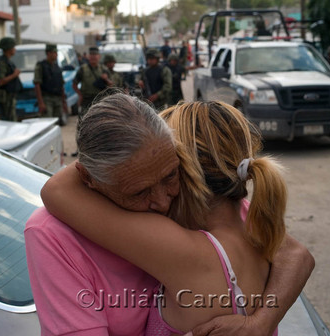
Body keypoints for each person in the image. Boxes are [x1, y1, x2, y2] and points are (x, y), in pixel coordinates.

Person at [26, 93, 314, 335]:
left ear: (190, 172)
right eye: (140, 192)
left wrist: (260, 323)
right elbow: (298, 255)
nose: (162, 203)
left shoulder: (190, 252)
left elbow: (57, 189)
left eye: (170, 177)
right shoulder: (247, 222)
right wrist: (262, 321)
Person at [71, 46, 111, 156]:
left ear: (99, 56)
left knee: (101, 124)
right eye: (91, 55)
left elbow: (112, 85)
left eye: (95, 55)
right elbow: (74, 84)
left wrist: (105, 79)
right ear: (88, 56)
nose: (93, 57)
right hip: (86, 100)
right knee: (82, 125)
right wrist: (80, 95)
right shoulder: (83, 69)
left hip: (100, 101)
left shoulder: (104, 69)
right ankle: (80, 150)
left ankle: (100, 149)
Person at [34, 44, 67, 121]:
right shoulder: (41, 66)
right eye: (54, 53)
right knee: (47, 121)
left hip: (57, 99)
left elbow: (61, 85)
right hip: (47, 99)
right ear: (48, 53)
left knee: (57, 121)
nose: (56, 55)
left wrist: (63, 102)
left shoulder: (57, 67)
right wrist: (41, 103)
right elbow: (37, 84)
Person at [0, 37, 22, 121]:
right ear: (8, 49)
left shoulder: (8, 61)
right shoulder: (2, 62)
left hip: (10, 96)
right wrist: (14, 75)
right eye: (13, 47)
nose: (14, 49)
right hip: (6, 98)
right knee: (10, 121)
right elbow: (0, 82)